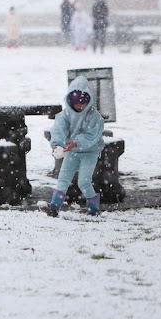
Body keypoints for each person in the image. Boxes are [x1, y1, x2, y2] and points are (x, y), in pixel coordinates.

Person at [45, 76, 104, 217]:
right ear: (70, 101)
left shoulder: (94, 117)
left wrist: (77, 142)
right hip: (72, 151)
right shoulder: (65, 114)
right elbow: (59, 129)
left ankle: (94, 208)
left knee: (84, 182)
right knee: (63, 179)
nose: (80, 106)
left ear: (88, 100)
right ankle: (54, 206)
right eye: (77, 103)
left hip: (90, 152)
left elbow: (93, 135)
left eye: (83, 102)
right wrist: (57, 144)